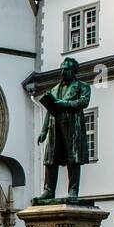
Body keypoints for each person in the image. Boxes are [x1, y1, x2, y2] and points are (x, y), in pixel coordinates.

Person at [34, 56, 91, 203]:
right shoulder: (54, 89)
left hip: (72, 126)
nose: (62, 72)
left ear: (73, 71)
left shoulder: (82, 87)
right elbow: (49, 110)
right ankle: (49, 190)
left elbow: (83, 102)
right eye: (61, 69)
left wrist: (64, 104)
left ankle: (73, 190)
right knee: (50, 158)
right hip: (55, 127)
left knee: (73, 158)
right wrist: (44, 130)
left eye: (65, 69)